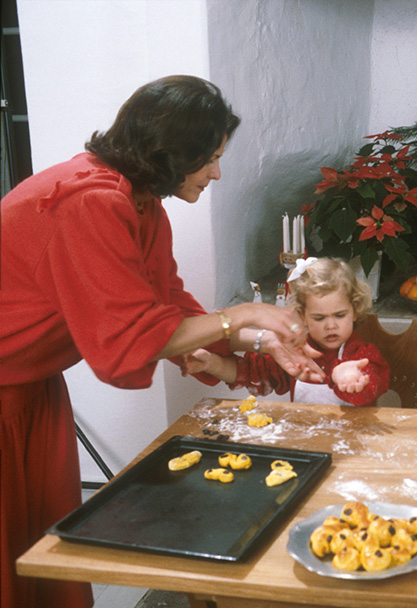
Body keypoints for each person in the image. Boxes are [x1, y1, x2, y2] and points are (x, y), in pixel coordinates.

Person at [0, 75, 321, 608]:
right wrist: (244, 312)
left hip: (33, 389)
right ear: (172, 153)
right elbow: (131, 340)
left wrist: (260, 343)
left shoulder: (142, 205)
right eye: (210, 157)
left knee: (45, 557)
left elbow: (169, 310)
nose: (217, 172)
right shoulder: (89, 202)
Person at [184, 257, 390, 407]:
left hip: (355, 447)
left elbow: (371, 388)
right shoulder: (293, 351)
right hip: (306, 442)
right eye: (319, 318)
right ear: (302, 316)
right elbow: (248, 373)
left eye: (339, 315)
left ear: (354, 312)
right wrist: (211, 363)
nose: (331, 325)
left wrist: (350, 379)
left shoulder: (363, 355)